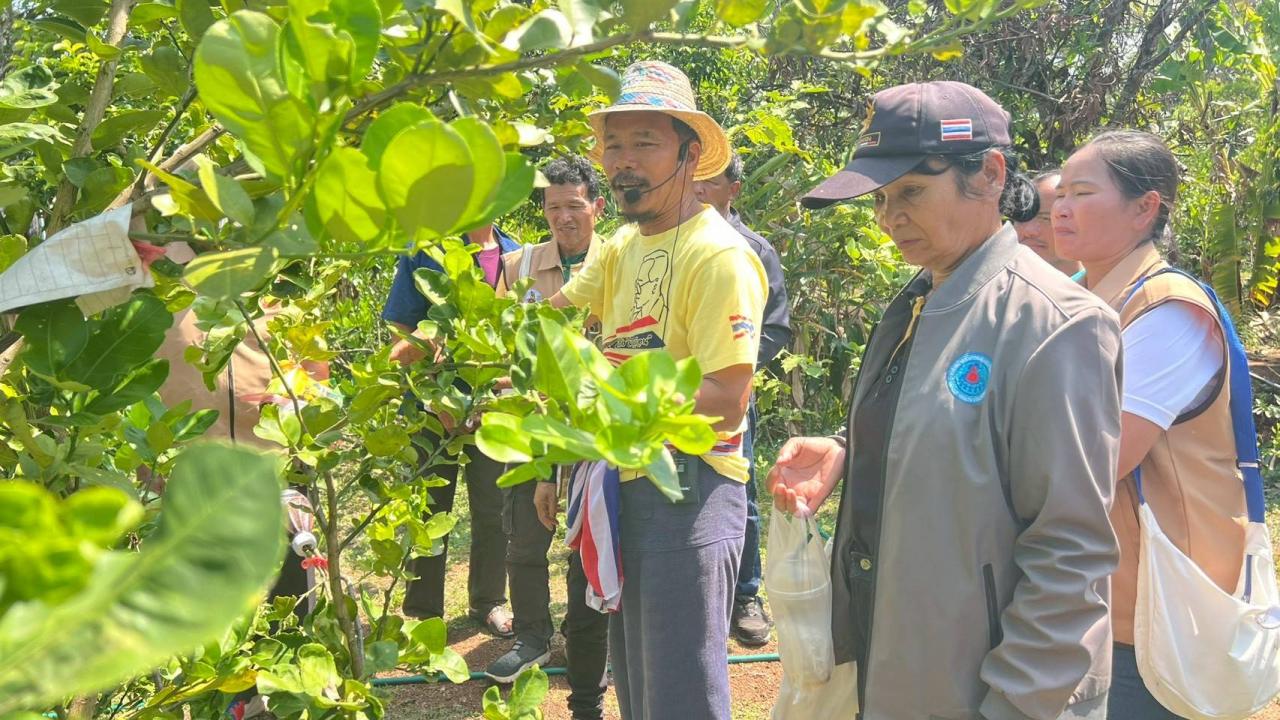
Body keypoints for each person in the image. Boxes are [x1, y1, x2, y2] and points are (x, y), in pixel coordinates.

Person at [770, 81, 1121, 720]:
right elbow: (944, 430)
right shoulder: (916, 300)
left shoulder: (1055, 326)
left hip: (984, 691)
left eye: (910, 192)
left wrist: (1015, 705)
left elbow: (1070, 552)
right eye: (881, 199)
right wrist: (850, 447)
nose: (888, 217)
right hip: (899, 667)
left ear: (988, 175)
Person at [545, 60, 767, 720]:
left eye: (645, 142)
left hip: (691, 490)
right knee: (642, 688)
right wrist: (481, 344)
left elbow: (728, 394)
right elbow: (556, 309)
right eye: (613, 144)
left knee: (681, 697)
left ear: (690, 154)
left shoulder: (717, 256)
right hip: (627, 482)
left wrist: (603, 394)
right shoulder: (620, 245)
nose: (623, 162)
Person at [1053, 130, 1245, 720]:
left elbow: (1105, 459)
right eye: (1059, 192)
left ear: (1145, 207)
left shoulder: (1168, 310)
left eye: (1081, 192)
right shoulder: (1082, 293)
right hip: (1096, 591)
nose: (1060, 207)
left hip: (1152, 609)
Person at [485, 156, 611, 720]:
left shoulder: (622, 259)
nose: (563, 217)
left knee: (590, 540)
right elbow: (497, 342)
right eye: (553, 206)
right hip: (531, 417)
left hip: (593, 425)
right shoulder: (517, 267)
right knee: (524, 535)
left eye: (574, 206)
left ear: (596, 208)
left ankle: (588, 644)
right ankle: (531, 637)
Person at [382, 223, 521, 636]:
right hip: (431, 408)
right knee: (429, 505)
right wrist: (434, 396)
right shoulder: (423, 249)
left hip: (494, 408)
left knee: (495, 507)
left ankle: (489, 601)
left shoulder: (518, 253)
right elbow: (400, 335)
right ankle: (423, 610)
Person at [694, 154, 792, 646]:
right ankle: (697, 590)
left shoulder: (752, 248)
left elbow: (776, 327)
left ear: (733, 188)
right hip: (674, 392)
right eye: (695, 179)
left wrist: (731, 367)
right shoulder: (670, 243)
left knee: (739, 487)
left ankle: (745, 596)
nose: (700, 189)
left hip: (730, 395)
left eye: (711, 180)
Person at [1015, 169, 1082, 277]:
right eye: (1022, 217)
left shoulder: (1104, 290)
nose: (1029, 231)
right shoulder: (999, 290)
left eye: (1047, 218)